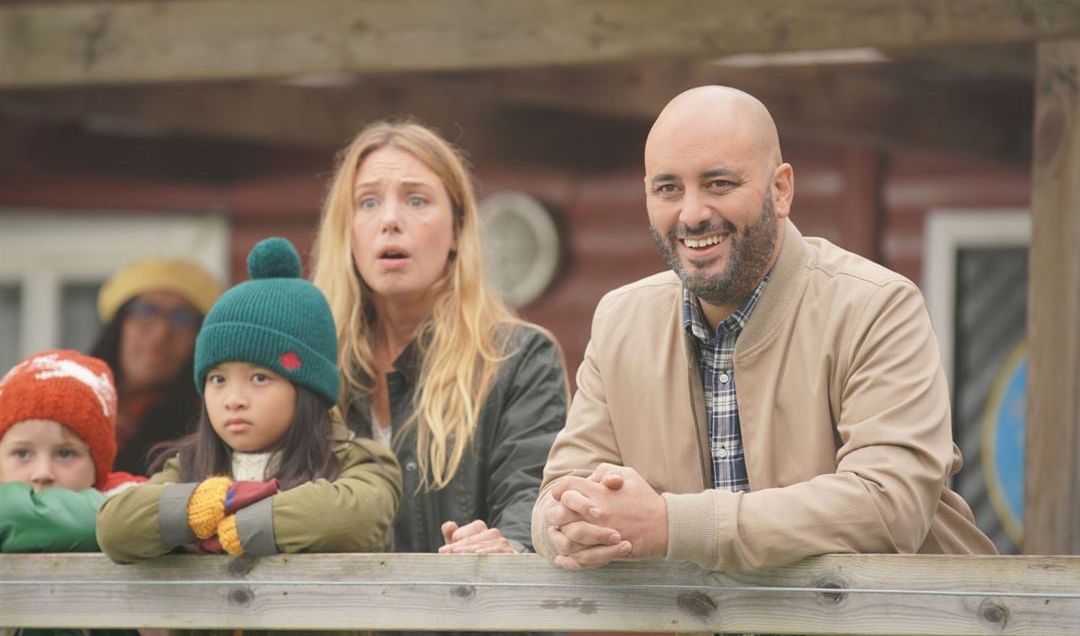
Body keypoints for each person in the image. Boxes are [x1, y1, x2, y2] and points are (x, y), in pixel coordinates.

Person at [532, 86, 997, 573]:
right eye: (668, 188)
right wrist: (569, 525)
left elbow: (889, 505)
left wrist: (671, 525)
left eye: (718, 183)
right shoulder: (620, 321)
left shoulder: (876, 306)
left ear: (781, 190)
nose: (691, 214)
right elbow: (556, 494)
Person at [311, 120, 568, 557]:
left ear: (456, 231)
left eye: (417, 200)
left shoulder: (519, 359)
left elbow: (535, 496)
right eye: (368, 202)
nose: (390, 221)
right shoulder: (310, 362)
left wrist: (510, 546)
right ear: (346, 231)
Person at [97, 237, 402, 567]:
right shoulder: (190, 465)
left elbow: (353, 518)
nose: (234, 400)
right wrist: (204, 506)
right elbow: (115, 527)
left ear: (307, 389)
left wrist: (240, 524)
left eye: (259, 378)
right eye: (218, 379)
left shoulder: (356, 460)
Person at [1, 349, 144, 552]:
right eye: (22, 453)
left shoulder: (130, 501)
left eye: (65, 453)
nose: (42, 473)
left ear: (99, 465)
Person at [92, 256, 223, 475]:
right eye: (146, 311)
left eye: (182, 318)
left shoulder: (208, 426)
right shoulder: (71, 398)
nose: (161, 333)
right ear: (119, 324)